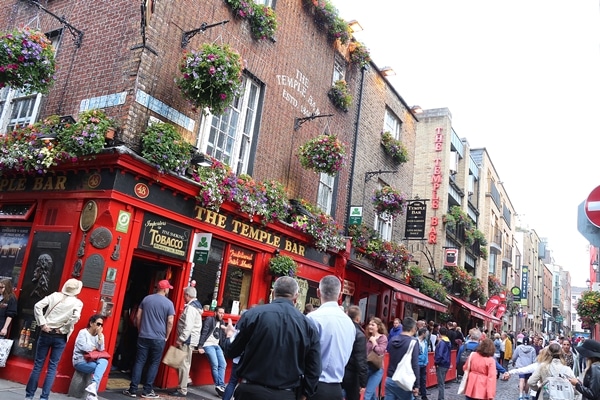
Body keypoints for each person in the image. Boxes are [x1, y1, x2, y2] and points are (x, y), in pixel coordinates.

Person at [222, 276, 321, 400]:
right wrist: (305, 394)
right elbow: (314, 367)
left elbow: (232, 351)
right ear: (296, 297)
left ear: (273, 293)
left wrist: (230, 335)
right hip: (285, 394)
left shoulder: (252, 315)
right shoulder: (308, 326)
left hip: (251, 392)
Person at [25, 278, 84, 400]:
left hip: (46, 332)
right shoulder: (77, 303)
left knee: (38, 366)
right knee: (52, 367)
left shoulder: (54, 296)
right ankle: (44, 397)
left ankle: (29, 395)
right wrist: (63, 329)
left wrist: (42, 324)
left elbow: (37, 306)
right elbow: (76, 317)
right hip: (60, 337)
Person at [123, 279, 175, 399]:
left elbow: (138, 316)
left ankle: (133, 389)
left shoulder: (146, 299)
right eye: (168, 288)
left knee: (139, 361)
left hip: (144, 335)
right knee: (154, 363)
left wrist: (141, 330)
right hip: (159, 338)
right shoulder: (169, 304)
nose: (168, 290)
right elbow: (170, 322)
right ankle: (147, 391)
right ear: (164, 289)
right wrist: (166, 336)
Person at [306, 275, 354, 400]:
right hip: (336, 389)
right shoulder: (349, 323)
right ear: (340, 295)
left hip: (311, 387)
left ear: (318, 292)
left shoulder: (312, 318)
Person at [169, 286, 203, 398]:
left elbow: (188, 326)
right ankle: (185, 381)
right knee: (175, 361)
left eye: (184, 295)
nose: (183, 297)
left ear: (188, 295)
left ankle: (182, 389)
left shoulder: (191, 308)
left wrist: (181, 339)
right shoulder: (195, 307)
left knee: (182, 363)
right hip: (189, 340)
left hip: (187, 341)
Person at [72, 314, 109, 399]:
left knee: (104, 361)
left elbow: (101, 349)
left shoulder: (100, 335)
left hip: (92, 360)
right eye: (98, 324)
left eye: (101, 325)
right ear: (91, 323)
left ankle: (92, 389)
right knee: (100, 368)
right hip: (80, 361)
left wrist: (99, 336)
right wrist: (94, 347)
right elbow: (84, 348)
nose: (100, 327)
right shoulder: (83, 333)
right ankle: (92, 393)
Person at [384, 317, 420, 400]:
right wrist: (417, 385)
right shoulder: (413, 342)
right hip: (404, 380)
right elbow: (415, 364)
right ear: (413, 329)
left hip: (390, 378)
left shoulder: (392, 340)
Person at [198, 306, 227, 397]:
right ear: (215, 313)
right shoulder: (209, 320)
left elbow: (222, 338)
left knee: (223, 364)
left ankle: (220, 386)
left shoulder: (222, 322)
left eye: (223, 313)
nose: (221, 315)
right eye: (220, 312)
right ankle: (219, 385)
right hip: (208, 344)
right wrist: (200, 346)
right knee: (215, 364)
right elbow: (204, 332)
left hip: (217, 346)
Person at [342, 305, 368, 400]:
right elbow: (360, 360)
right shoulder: (359, 335)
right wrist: (363, 382)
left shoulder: (341, 329)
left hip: (337, 369)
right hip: (352, 374)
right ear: (358, 318)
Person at [364, 317, 388, 400]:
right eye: (369, 324)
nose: (370, 326)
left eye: (372, 325)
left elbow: (380, 351)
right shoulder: (368, 337)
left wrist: (374, 342)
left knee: (367, 395)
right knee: (373, 395)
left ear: (378, 327)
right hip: (367, 367)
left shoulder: (383, 338)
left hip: (377, 369)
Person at [434, 326, 451, 400]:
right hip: (446, 363)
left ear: (439, 333)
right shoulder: (448, 341)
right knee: (442, 382)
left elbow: (440, 354)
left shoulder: (442, 342)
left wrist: (436, 362)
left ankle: (441, 398)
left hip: (441, 363)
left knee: (441, 383)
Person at [417, 327, 429, 400]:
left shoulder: (425, 342)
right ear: (423, 333)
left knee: (423, 380)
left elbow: (426, 352)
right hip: (417, 363)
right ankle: (414, 395)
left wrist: (426, 361)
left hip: (423, 364)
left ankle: (424, 396)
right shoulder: (415, 341)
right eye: (426, 333)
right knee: (416, 380)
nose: (427, 335)